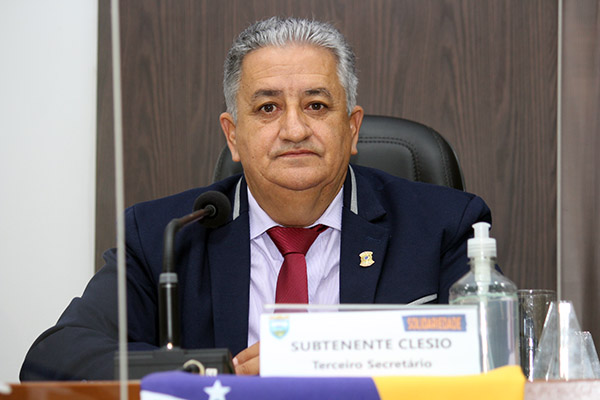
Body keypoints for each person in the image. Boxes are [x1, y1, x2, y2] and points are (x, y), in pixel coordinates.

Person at [20, 16, 491, 381]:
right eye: (268, 108)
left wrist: (319, 359)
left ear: (351, 129)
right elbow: (54, 357)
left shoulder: (444, 226)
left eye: (316, 105)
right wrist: (219, 375)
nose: (294, 129)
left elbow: (493, 359)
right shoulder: (164, 236)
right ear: (233, 136)